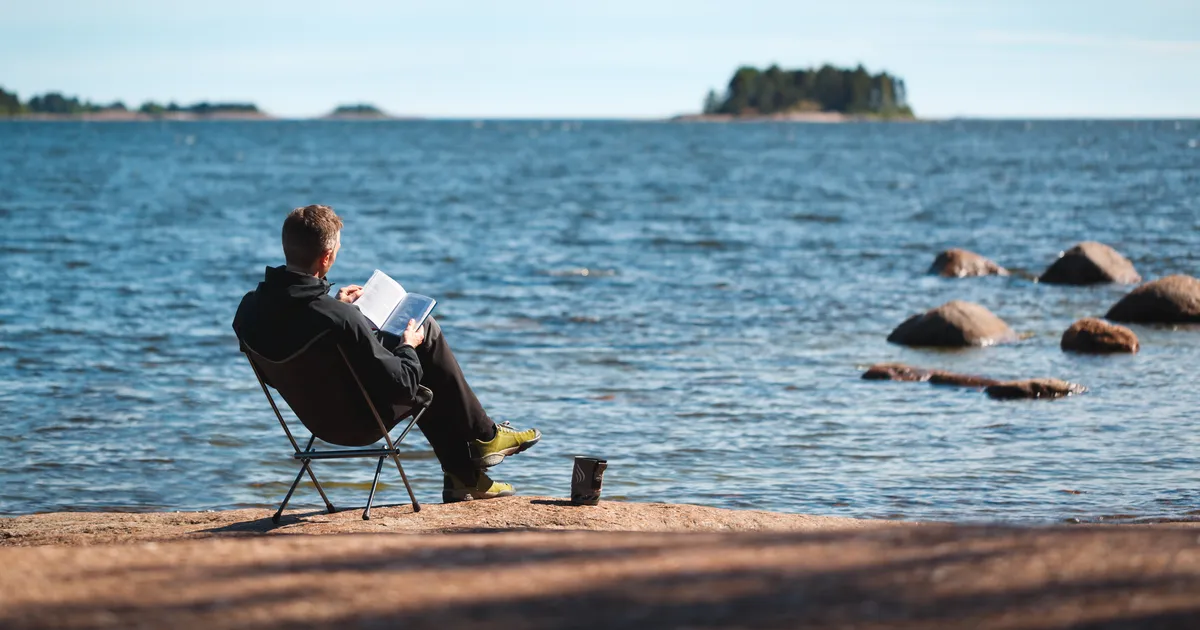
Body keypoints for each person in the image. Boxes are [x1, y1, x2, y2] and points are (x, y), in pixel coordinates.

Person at [233, 204, 540, 502]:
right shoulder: (338, 319)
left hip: (316, 419)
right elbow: (404, 386)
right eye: (337, 249)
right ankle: (482, 441)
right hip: (360, 423)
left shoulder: (248, 310)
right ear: (326, 258)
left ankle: (468, 473)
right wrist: (407, 345)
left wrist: (337, 307)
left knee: (411, 348)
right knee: (425, 333)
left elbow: (277, 372)